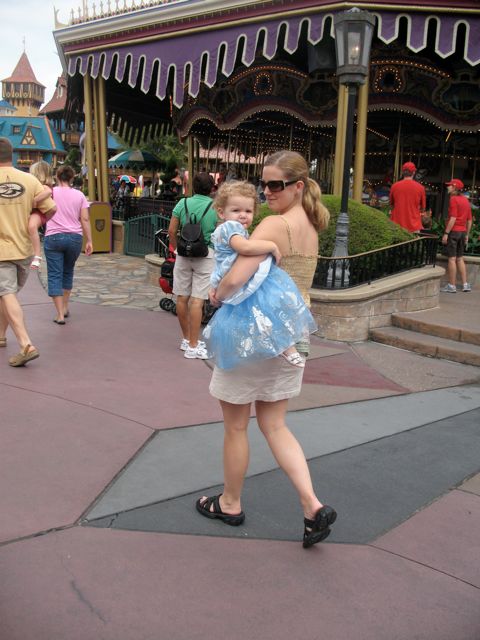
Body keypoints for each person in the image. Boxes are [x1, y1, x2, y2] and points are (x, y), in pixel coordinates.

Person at [196, 150, 337, 548]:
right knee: (275, 425)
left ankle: (230, 503)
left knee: (236, 425)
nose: (267, 191)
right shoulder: (310, 223)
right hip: (294, 335)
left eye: (275, 184)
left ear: (297, 186)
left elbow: (236, 278)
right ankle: (311, 505)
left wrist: (217, 295)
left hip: (253, 336)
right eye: (264, 184)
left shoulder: (275, 224)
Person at [203, 180, 316, 369]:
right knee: (267, 306)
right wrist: (271, 246)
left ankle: (283, 346)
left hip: (229, 274)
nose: (242, 215)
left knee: (260, 311)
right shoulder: (230, 228)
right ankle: (285, 345)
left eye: (248, 211)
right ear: (222, 213)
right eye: (236, 210)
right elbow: (245, 248)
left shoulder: (238, 229)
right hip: (234, 275)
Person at [0, 138, 56, 366]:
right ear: (11, 154)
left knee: (6, 293)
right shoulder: (30, 180)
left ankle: (26, 345)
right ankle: (1, 335)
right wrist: (35, 219)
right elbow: (51, 209)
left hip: (2, 251)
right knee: (7, 294)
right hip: (24, 250)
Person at [168, 172, 217, 359]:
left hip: (183, 254)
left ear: (192, 187)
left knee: (182, 297)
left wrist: (175, 248)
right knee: (198, 300)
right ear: (212, 188)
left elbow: (172, 230)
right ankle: (194, 346)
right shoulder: (215, 206)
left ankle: (187, 339)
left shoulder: (183, 203)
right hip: (206, 255)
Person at [44, 165, 93, 324]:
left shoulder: (50, 193)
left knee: (54, 274)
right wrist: (89, 240)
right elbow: (85, 219)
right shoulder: (80, 195)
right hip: (74, 238)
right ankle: (65, 307)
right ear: (72, 178)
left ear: (57, 177)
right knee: (68, 271)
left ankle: (59, 314)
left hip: (53, 237)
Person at [441, 178, 473, 293]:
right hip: (463, 232)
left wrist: (446, 233)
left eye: (449, 185)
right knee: (460, 258)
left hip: (454, 232)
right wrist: (467, 235)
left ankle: (452, 286)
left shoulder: (453, 199)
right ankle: (465, 284)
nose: (447, 187)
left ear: (454, 187)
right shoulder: (465, 200)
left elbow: (453, 218)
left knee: (452, 259)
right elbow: (469, 220)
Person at [28, 161, 54, 270]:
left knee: (32, 226)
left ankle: (37, 255)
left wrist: (35, 200)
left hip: (39, 212)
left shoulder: (43, 186)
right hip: (35, 211)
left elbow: (48, 192)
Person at [389, 162, 427, 233]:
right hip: (414, 226)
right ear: (414, 172)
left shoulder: (394, 186)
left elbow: (391, 205)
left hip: (397, 226)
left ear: (403, 172)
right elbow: (423, 208)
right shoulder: (421, 188)